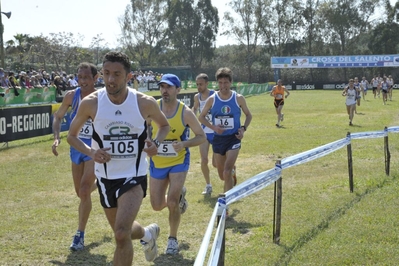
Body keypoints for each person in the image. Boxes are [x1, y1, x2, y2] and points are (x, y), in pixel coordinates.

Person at [67, 51, 170, 264]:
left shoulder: (144, 103)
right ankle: (148, 235)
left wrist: (156, 144)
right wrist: (91, 152)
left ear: (128, 76)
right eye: (106, 73)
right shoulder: (91, 103)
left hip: (134, 175)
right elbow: (72, 136)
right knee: (121, 230)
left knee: (121, 234)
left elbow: (164, 125)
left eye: (116, 74)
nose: (111, 79)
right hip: (105, 179)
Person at [148, 73, 205, 255]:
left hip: (178, 161)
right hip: (157, 161)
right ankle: (180, 198)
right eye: (162, 87)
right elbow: (143, 129)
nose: (165, 90)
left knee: (172, 202)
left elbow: (201, 136)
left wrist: (184, 144)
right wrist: (147, 141)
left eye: (169, 87)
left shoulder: (185, 112)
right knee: (157, 205)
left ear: (178, 90)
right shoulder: (153, 107)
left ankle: (172, 239)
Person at [52, 62, 99, 251]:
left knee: (85, 190)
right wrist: (56, 138)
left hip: (94, 148)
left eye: (87, 77)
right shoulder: (71, 96)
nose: (83, 81)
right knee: (80, 192)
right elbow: (58, 117)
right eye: (80, 77)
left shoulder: (101, 98)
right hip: (75, 147)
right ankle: (103, 185)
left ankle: (79, 234)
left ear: (95, 78)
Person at [199, 67, 252, 194]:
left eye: (226, 82)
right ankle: (232, 173)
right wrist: (213, 128)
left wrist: (243, 129)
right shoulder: (212, 99)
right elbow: (201, 117)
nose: (223, 86)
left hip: (233, 138)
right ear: (217, 83)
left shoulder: (238, 98)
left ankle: (226, 203)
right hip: (218, 139)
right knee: (223, 175)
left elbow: (249, 115)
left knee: (226, 171)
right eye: (221, 83)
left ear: (231, 82)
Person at [192, 73, 238, 195]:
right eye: (197, 84)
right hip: (204, 132)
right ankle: (208, 185)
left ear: (207, 84)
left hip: (217, 133)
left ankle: (231, 170)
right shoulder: (197, 97)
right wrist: (191, 119)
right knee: (203, 160)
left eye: (201, 84)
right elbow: (195, 109)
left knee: (215, 164)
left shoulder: (215, 94)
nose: (198, 87)